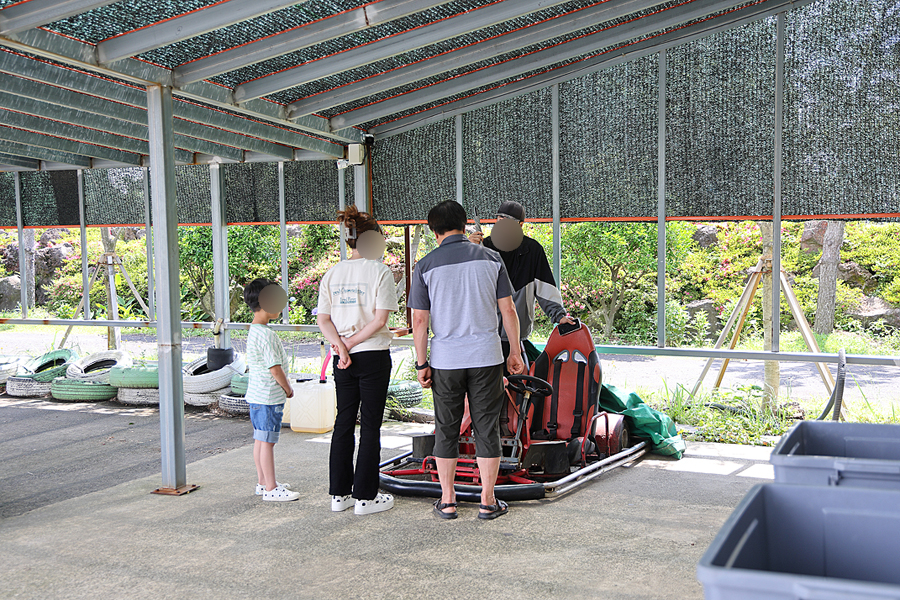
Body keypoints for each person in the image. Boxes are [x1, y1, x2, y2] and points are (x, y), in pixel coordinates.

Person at [409, 200, 525, 520]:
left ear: (434, 232)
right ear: (464, 226)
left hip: (446, 360)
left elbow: (420, 320)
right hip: (487, 357)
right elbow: (509, 310)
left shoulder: (426, 265)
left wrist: (422, 363)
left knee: (446, 428)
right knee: (486, 427)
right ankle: (488, 501)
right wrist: (514, 351)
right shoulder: (491, 258)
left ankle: (447, 501)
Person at [317, 205, 399, 516]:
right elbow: (379, 321)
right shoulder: (379, 271)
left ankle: (339, 495)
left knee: (343, 423)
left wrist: (340, 347)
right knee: (371, 427)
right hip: (373, 356)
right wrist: (350, 344)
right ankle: (366, 497)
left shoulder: (333, 272)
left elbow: (324, 319)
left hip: (344, 361)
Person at [469, 201, 573, 365]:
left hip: (518, 335)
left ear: (520, 225)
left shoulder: (532, 250)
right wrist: (469, 250)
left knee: (519, 385)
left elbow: (545, 287)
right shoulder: (483, 247)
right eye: (499, 219)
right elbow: (467, 283)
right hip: (486, 335)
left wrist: (559, 316)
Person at [243, 278, 299, 502]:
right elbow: (275, 369)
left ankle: (263, 483)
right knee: (267, 443)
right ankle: (271, 488)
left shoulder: (255, 330)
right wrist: (288, 388)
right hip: (268, 397)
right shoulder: (267, 335)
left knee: (260, 440)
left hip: (257, 396)